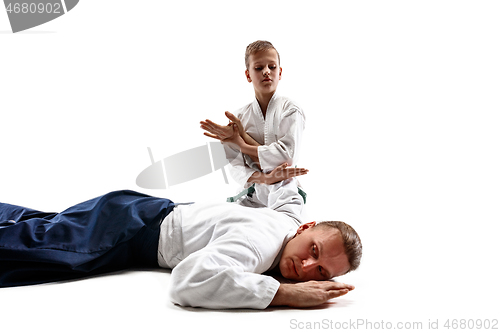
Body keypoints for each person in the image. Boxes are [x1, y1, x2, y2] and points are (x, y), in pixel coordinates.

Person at [0, 187, 362, 309]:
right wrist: (283, 293)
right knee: (33, 251)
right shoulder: (261, 243)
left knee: (39, 228)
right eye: (313, 250)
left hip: (137, 210)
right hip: (130, 228)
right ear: (306, 227)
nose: (307, 267)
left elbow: (287, 192)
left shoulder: (286, 220)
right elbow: (187, 280)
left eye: (321, 272)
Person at [200, 40, 307, 216]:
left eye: (272, 66)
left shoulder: (291, 109)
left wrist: (242, 144)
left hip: (285, 193)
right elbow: (236, 167)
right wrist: (265, 178)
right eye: (259, 68)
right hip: (252, 196)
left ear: (280, 72)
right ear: (248, 75)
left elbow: (286, 156)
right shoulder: (239, 117)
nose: (266, 71)